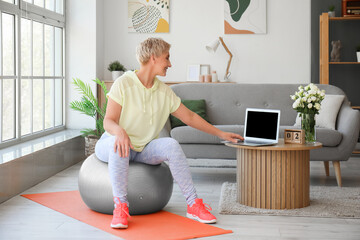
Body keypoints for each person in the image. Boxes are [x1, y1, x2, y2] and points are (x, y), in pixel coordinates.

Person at [95, 38, 243, 229]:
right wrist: (120, 132)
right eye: (167, 58)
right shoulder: (123, 83)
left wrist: (221, 134)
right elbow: (108, 121)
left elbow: (189, 116)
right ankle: (121, 207)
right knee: (118, 144)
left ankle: (193, 204)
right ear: (153, 58)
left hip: (143, 148)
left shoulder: (164, 92)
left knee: (171, 145)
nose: (170, 64)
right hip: (114, 143)